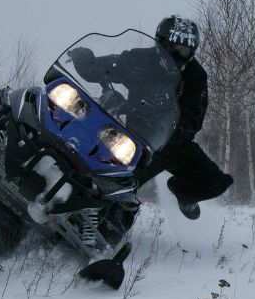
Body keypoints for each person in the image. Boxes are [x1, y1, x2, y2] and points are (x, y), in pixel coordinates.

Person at [69, 15, 232, 220]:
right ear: (160, 43)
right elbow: (105, 67)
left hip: (168, 142)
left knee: (215, 183)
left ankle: (183, 193)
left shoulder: (195, 76)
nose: (177, 54)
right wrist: (83, 59)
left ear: (192, 51)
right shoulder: (139, 59)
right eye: (172, 47)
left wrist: (175, 130)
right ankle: (90, 213)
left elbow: (194, 116)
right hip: (132, 136)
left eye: (184, 50)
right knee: (117, 186)